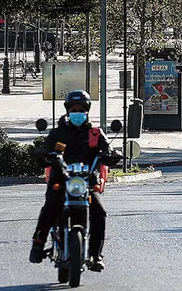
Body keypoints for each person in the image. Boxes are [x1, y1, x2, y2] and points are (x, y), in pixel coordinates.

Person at [30, 90, 115, 271]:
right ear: (68, 111)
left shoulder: (95, 133)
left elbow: (108, 149)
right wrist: (44, 155)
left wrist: (112, 155)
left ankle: (95, 255)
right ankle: (38, 242)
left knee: (99, 211)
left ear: (87, 111)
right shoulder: (57, 133)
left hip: (87, 182)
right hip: (61, 181)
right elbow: (44, 150)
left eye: (81, 109)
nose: (78, 112)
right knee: (51, 204)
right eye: (74, 109)